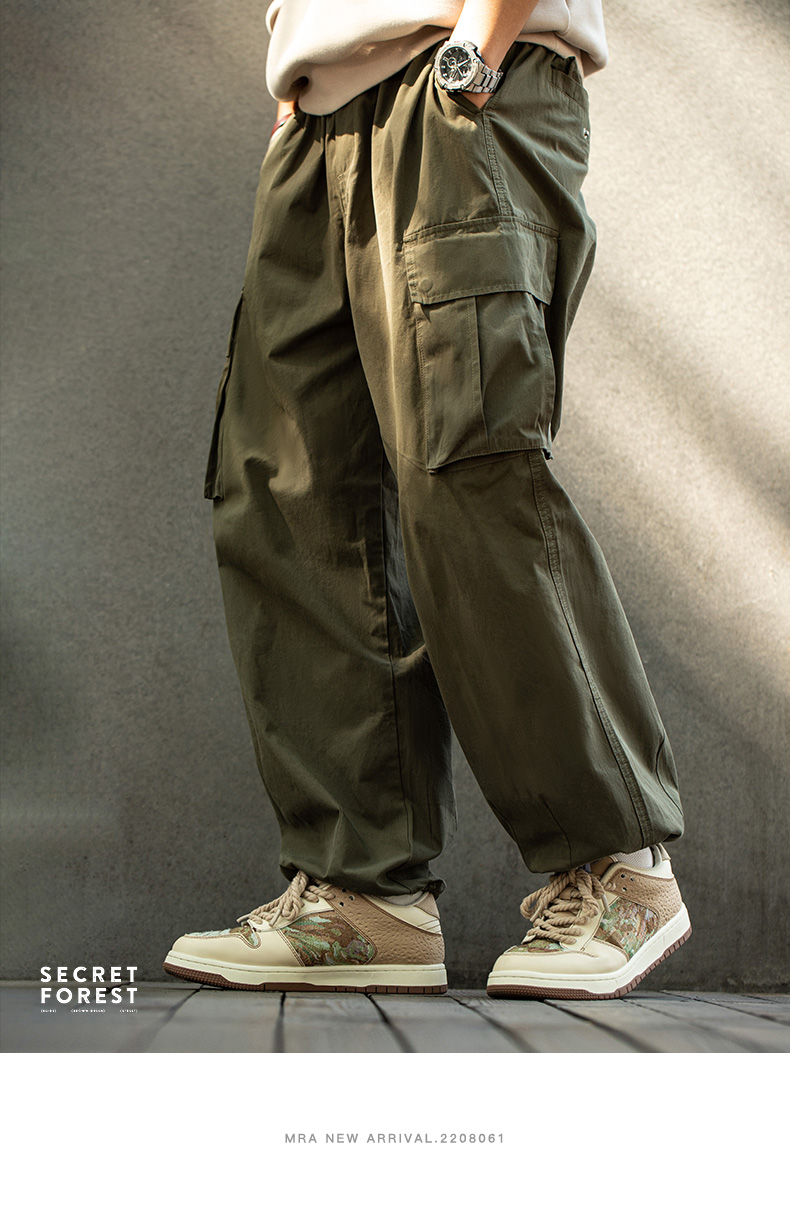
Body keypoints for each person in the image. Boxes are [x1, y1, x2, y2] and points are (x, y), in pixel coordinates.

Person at [164, 0, 690, 999]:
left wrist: (474, 56)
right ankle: (366, 900)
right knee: (295, 497)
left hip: (459, 85)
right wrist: (298, 96)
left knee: (469, 468)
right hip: (321, 114)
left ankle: (622, 872)